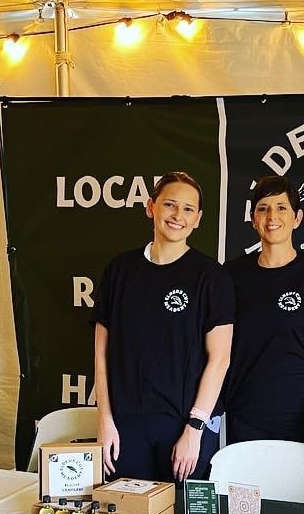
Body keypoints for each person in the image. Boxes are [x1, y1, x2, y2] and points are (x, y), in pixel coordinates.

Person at [92, 171, 233, 484]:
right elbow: (101, 353)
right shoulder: (119, 271)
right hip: (125, 426)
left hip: (184, 428)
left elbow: (219, 359)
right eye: (170, 205)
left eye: (187, 209)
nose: (177, 216)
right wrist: (104, 420)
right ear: (150, 207)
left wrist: (194, 429)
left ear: (198, 219)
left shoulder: (211, 277)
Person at [224, 175, 304, 465]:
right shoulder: (231, 276)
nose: (272, 216)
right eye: (263, 208)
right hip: (245, 421)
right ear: (253, 219)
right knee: (247, 508)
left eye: (282, 208)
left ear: (297, 218)